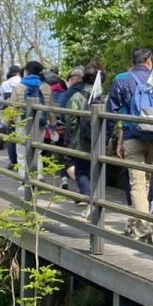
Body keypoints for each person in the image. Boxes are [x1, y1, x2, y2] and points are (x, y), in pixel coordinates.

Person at [107, 48, 153, 243]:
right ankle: (132, 224)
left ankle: (144, 230)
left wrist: (105, 138)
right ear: (149, 61)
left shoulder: (122, 79)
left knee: (137, 184)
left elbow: (111, 110)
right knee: (145, 182)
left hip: (133, 136)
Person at [5, 61, 54, 188]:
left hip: (22, 123)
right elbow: (50, 108)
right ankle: (39, 174)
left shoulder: (20, 86)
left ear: (26, 71)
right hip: (40, 123)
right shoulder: (47, 87)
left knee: (21, 152)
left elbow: (12, 107)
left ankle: (24, 181)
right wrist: (52, 124)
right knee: (37, 150)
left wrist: (5, 123)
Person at [63, 63, 103, 202]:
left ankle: (88, 197)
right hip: (101, 139)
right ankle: (92, 196)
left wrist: (74, 132)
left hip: (82, 139)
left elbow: (70, 118)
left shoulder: (77, 96)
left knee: (81, 170)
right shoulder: (105, 97)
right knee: (98, 169)